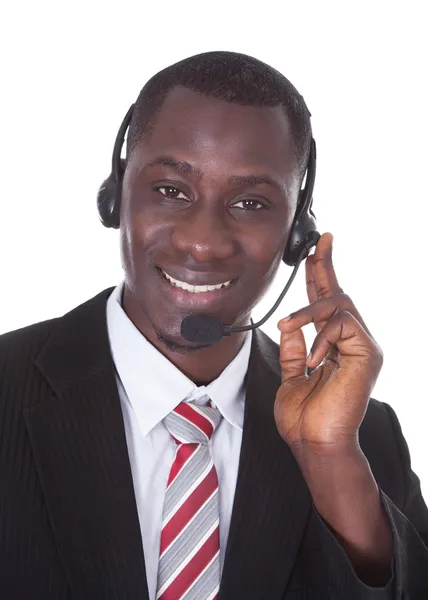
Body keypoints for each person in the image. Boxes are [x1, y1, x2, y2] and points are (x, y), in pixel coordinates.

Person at [0, 51, 427, 600]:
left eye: (251, 202)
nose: (203, 241)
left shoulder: (362, 440)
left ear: (298, 232)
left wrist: (329, 460)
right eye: (171, 190)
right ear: (117, 193)